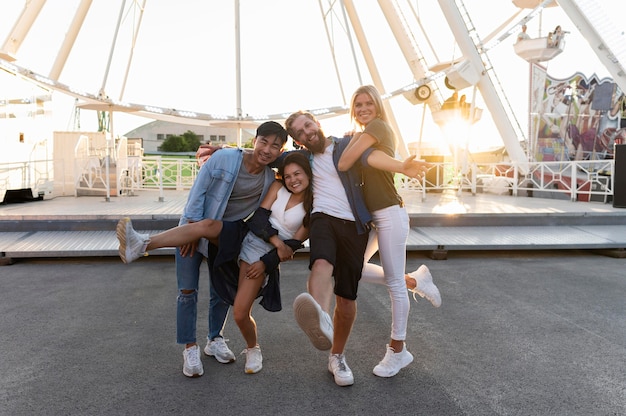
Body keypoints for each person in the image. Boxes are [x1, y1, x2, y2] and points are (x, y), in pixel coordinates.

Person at [117, 152, 312, 374]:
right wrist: (277, 241)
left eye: (297, 174)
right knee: (207, 225)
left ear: (308, 174)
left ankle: (252, 347)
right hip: (244, 235)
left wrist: (267, 262)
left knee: (240, 313)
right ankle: (142, 245)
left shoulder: (312, 210)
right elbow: (258, 219)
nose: (292, 180)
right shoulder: (278, 188)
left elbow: (290, 249)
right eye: (287, 175)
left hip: (260, 255)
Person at [284, 110, 429, 386]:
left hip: (354, 225)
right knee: (322, 263)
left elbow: (369, 157)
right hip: (322, 217)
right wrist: (221, 153)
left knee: (347, 299)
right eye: (299, 134)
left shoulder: (345, 144)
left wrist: (401, 166)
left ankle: (336, 356)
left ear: (316, 122)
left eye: (307, 126)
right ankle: (321, 318)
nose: (306, 133)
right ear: (298, 141)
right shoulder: (302, 159)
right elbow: (268, 158)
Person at [337, 85, 441, 378]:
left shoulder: (378, 126)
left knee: (393, 284)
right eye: (358, 104)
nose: (363, 108)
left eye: (368, 103)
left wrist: (396, 165)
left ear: (378, 106)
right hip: (375, 218)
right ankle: (415, 280)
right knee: (351, 269)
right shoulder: (367, 136)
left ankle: (398, 350)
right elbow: (368, 160)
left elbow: (347, 162)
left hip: (391, 214)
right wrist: (394, 163)